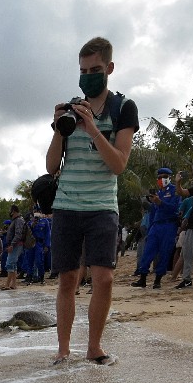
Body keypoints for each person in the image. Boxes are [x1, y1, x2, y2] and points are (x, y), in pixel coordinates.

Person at [45, 36, 139, 365]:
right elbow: (51, 166)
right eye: (83, 70)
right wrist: (60, 129)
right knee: (68, 278)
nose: (88, 75)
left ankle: (94, 347)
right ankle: (63, 350)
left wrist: (94, 129)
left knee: (104, 277)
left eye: (95, 69)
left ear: (109, 68)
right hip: (67, 205)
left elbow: (119, 165)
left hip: (102, 206)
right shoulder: (72, 109)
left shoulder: (122, 107)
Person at [131, 167, 181, 289]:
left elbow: (176, 209)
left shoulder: (175, 191)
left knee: (164, 252)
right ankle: (142, 278)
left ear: (170, 177)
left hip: (169, 224)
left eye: (164, 177)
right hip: (156, 225)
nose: (161, 179)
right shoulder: (158, 193)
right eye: (159, 177)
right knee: (148, 251)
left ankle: (158, 280)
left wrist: (161, 203)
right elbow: (154, 212)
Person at [1, 205, 26, 290]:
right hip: (16, 244)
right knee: (13, 264)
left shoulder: (18, 220)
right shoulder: (17, 220)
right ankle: (13, 284)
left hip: (16, 245)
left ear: (13, 211)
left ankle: (8, 284)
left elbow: (18, 234)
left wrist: (12, 244)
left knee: (10, 263)